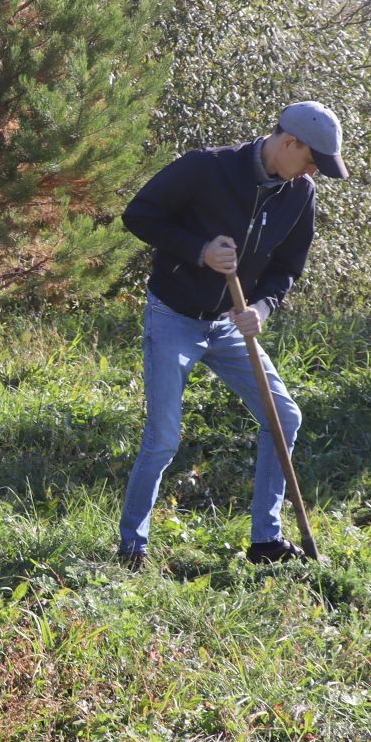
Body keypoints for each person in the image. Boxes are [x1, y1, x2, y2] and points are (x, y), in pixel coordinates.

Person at [115, 101, 349, 568]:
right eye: (310, 161)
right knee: (163, 437)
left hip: (229, 325)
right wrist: (199, 250)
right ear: (289, 143)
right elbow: (138, 215)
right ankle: (132, 549)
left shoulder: (299, 193)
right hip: (173, 317)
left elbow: (286, 268)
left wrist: (262, 306)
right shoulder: (207, 168)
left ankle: (266, 542)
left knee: (284, 417)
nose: (313, 173)